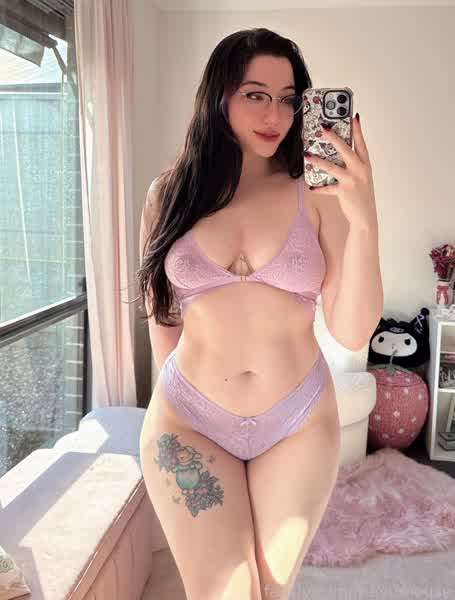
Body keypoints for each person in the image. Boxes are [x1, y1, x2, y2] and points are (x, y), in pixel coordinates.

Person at [137, 27, 380, 600]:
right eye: (256, 95)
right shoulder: (168, 195)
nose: (276, 115)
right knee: (227, 591)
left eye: (289, 99)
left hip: (296, 423)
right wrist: (169, 398)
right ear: (219, 96)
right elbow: (163, 318)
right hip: (189, 419)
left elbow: (352, 330)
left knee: (269, 589)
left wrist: (364, 217)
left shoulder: (318, 195)